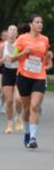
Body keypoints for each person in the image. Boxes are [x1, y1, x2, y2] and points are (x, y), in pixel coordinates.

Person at [12, 14, 50, 149]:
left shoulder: (45, 40)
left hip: (39, 76)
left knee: (34, 107)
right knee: (27, 109)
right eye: (37, 22)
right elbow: (11, 58)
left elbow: (45, 57)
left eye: (41, 22)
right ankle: (27, 133)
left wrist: (48, 56)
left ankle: (33, 138)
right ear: (31, 24)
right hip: (24, 76)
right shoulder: (21, 39)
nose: (40, 24)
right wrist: (23, 53)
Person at [0, 24, 21, 133]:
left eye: (15, 30)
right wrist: (3, 60)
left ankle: (18, 117)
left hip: (19, 73)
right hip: (7, 73)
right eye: (11, 29)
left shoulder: (20, 45)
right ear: (7, 33)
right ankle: (9, 124)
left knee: (18, 99)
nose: (13, 31)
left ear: (17, 34)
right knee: (9, 101)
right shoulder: (2, 46)